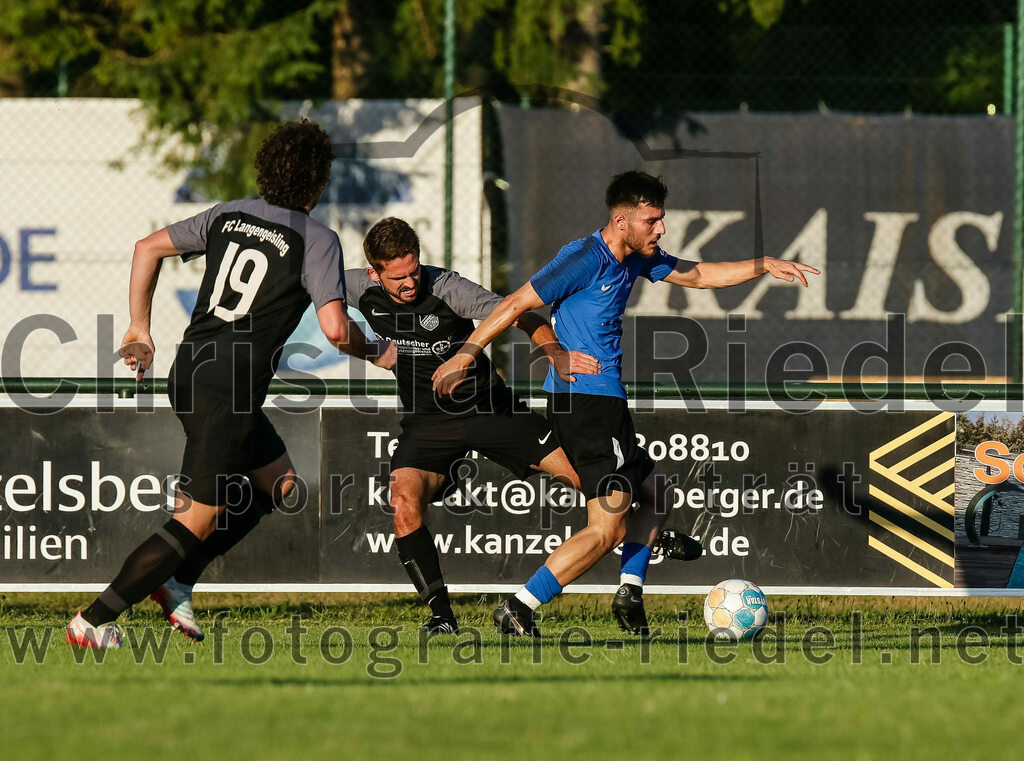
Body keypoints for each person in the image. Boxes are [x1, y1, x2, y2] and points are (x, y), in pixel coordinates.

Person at [433, 170, 819, 637]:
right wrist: (466, 354)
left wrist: (763, 264)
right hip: (586, 404)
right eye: (652, 220)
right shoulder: (583, 258)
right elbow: (515, 303)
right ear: (622, 221)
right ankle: (520, 606)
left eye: (661, 219)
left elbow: (697, 275)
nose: (660, 229)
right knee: (608, 529)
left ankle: (630, 592)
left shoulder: (636, 257)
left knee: (657, 493)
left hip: (602, 404)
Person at [67, 119, 395, 648]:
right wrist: (379, 350)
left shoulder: (228, 214)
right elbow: (336, 329)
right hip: (229, 391)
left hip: (192, 369)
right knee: (196, 519)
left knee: (279, 482)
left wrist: (139, 327)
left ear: (265, 169)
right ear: (318, 182)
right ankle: (91, 622)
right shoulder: (317, 238)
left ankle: (176, 580)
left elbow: (146, 247)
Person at [346, 216, 599, 634]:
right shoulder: (357, 286)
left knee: (585, 477)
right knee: (403, 505)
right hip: (427, 422)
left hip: (491, 411)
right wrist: (369, 350)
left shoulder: (449, 289)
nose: (410, 284)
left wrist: (555, 353)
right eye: (398, 279)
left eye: (414, 271)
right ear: (374, 273)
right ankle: (442, 618)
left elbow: (520, 313)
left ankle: (644, 534)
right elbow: (309, 283)